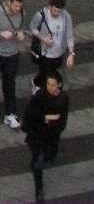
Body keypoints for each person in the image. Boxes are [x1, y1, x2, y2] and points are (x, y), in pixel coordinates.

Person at [23, 69, 69, 200]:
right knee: (37, 161)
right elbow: (29, 114)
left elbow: (62, 118)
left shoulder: (63, 98)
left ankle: (45, 158)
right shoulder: (40, 95)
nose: (50, 87)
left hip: (52, 134)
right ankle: (39, 189)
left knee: (50, 154)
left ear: (59, 84)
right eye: (48, 84)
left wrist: (57, 127)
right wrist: (46, 117)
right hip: (37, 133)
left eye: (53, 85)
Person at [0, 0, 28, 128]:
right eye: (15, 6)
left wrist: (21, 34)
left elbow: (22, 28)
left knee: (9, 85)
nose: (18, 9)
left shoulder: (22, 13)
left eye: (20, 6)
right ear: (9, 3)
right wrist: (0, 34)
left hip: (12, 54)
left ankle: (10, 114)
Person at [30, 0, 77, 83]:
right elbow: (33, 28)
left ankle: (37, 81)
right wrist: (43, 39)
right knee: (48, 75)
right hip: (45, 53)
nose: (56, 13)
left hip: (59, 53)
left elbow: (69, 35)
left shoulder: (66, 16)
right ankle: (38, 84)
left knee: (50, 72)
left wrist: (71, 53)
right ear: (50, 6)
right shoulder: (41, 15)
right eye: (54, 10)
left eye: (59, 11)